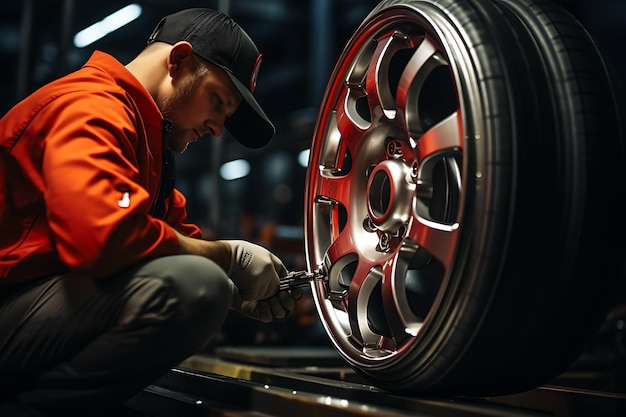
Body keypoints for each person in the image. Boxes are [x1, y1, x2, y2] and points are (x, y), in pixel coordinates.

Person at [0, 8, 303, 416]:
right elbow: (105, 239)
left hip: (26, 315)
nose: (217, 128)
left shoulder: (145, 139)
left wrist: (236, 292)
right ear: (178, 60)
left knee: (205, 283)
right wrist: (229, 258)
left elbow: (174, 238)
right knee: (193, 286)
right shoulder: (91, 108)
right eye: (217, 101)